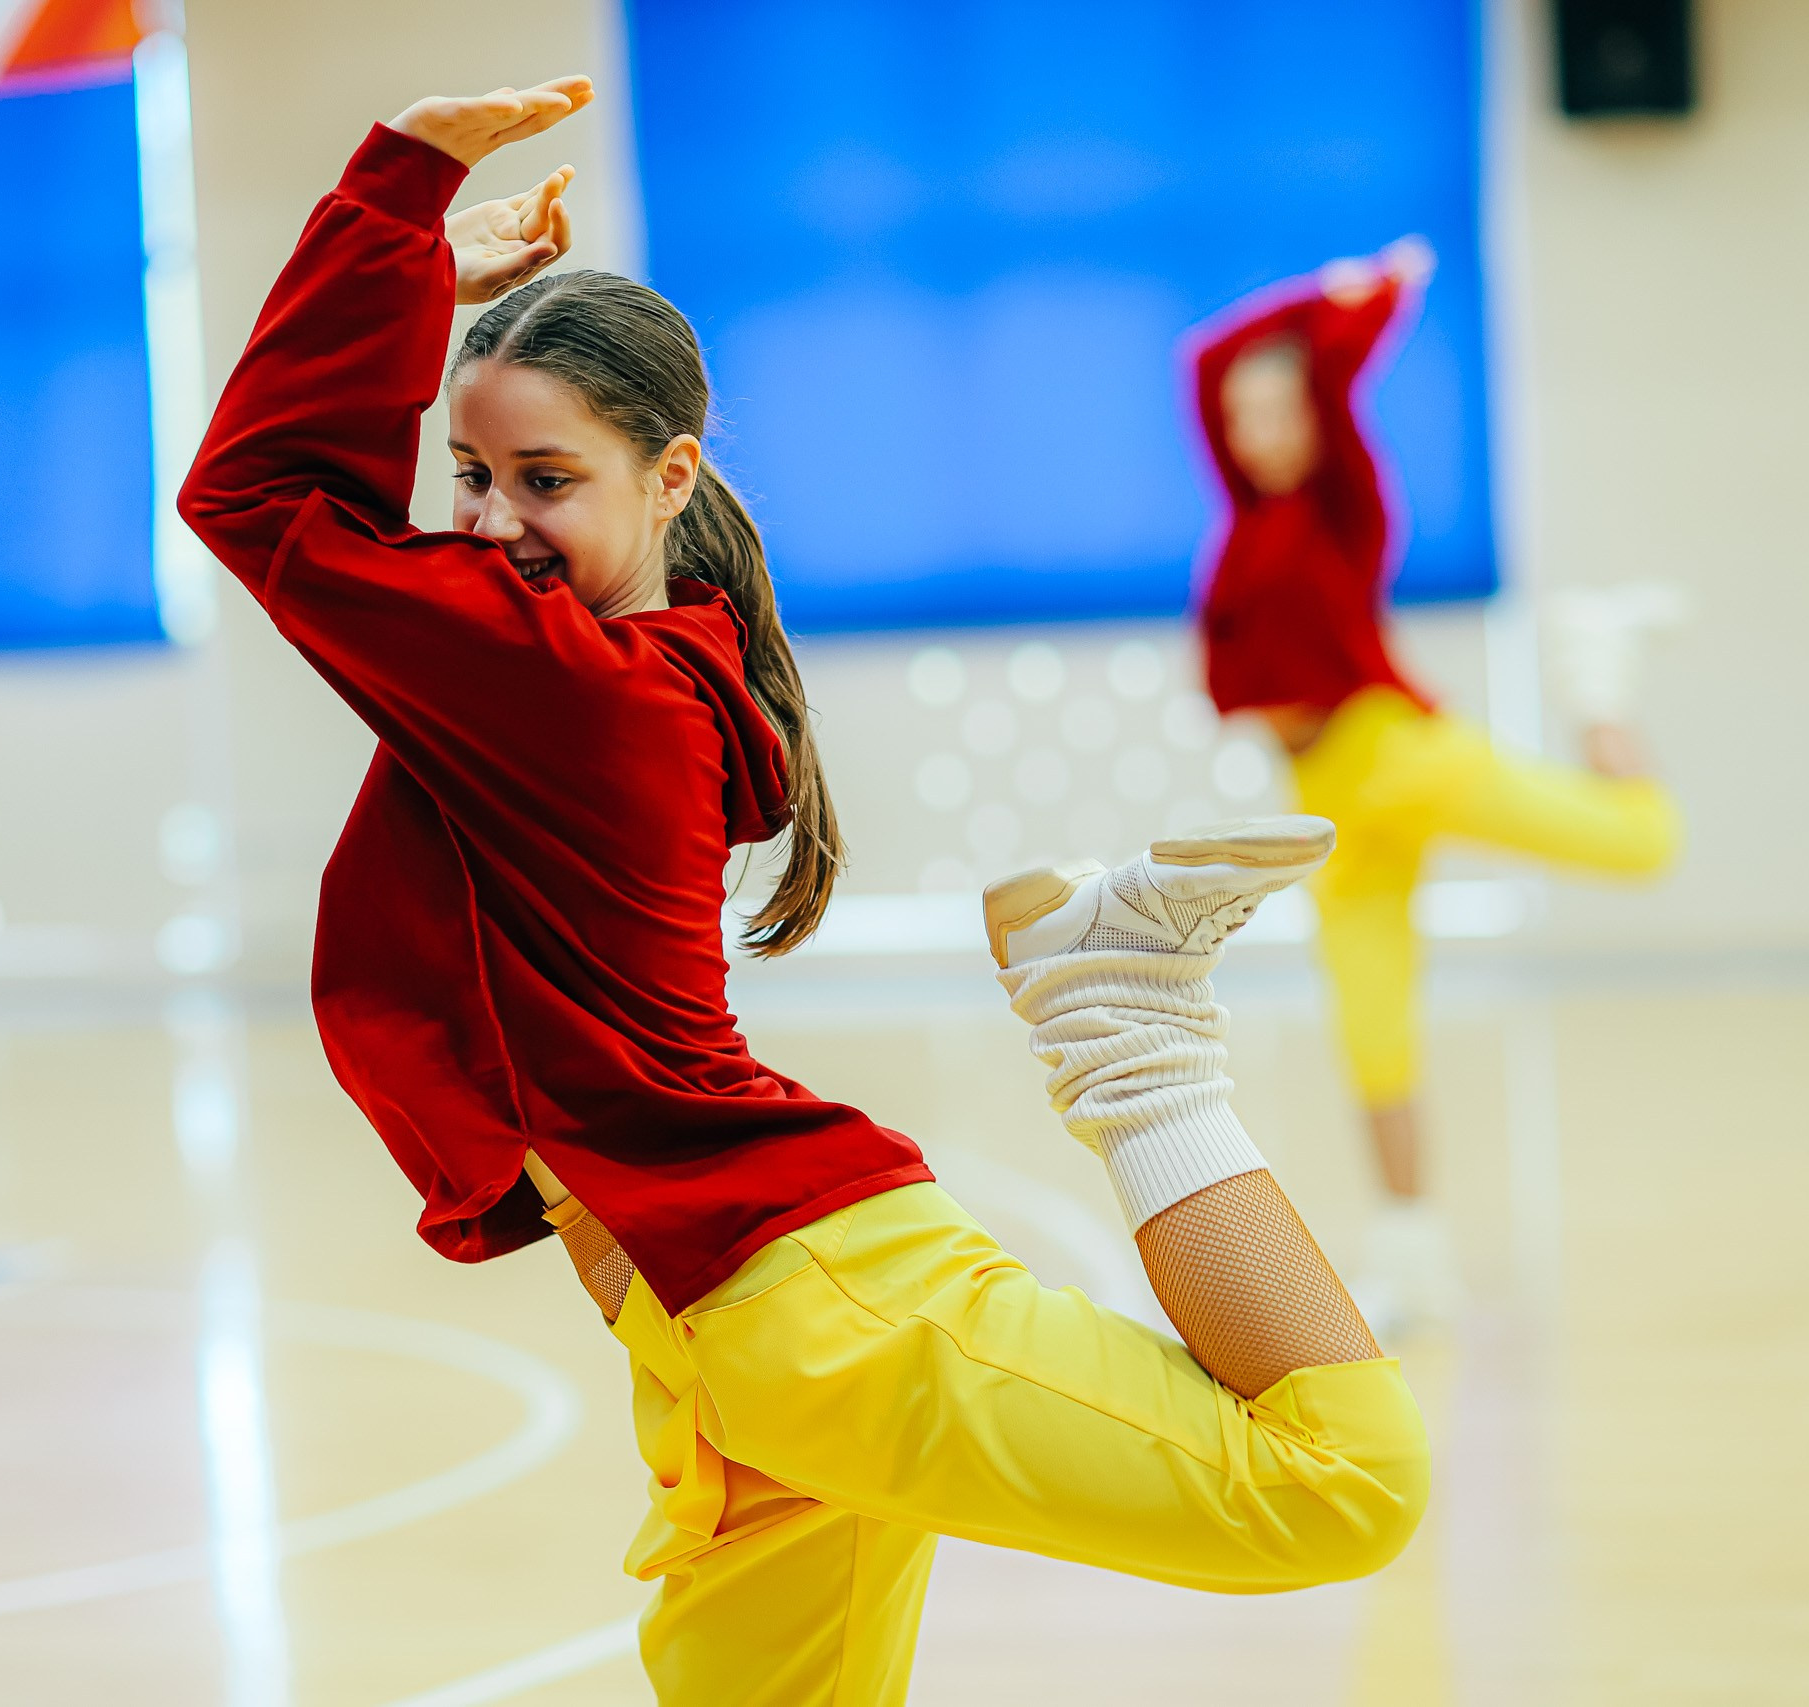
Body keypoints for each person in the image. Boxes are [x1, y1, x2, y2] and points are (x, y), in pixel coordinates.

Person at [182, 81, 1427, 1702]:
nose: (490, 524)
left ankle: (1127, 1034)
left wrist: (405, 187)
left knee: (1348, 1479)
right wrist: (423, 280)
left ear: (669, 471)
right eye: (467, 477)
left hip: (804, 1306)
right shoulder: (618, 671)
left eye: (543, 479)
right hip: (728, 1339)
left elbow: (259, 498)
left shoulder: (560, 682)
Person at [1189, 241, 1682, 1332]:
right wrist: (1310, 292)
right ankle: (1410, 1257)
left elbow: (1319, 366)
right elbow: (1208, 355)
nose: (1256, 434)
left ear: (1319, 419)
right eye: (1241, 420)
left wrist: (1357, 298)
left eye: (1279, 412)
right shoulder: (1247, 505)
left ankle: (1599, 675)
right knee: (1372, 1031)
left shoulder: (1339, 502)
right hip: (1323, 797)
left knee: (1642, 843)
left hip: (1395, 755)